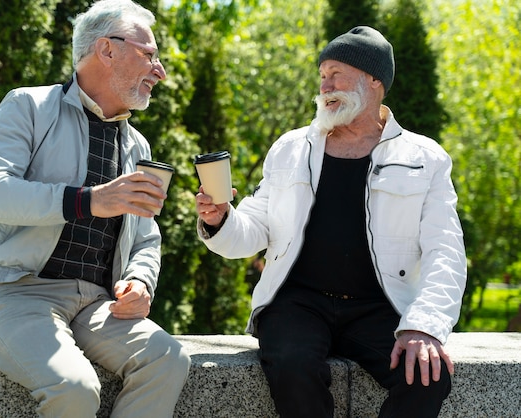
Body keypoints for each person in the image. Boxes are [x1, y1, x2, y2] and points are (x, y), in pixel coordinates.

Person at [195, 26, 466, 417]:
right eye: (322, 75)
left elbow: (446, 252)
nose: (325, 84)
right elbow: (254, 228)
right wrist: (221, 219)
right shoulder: (289, 148)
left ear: (375, 80)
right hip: (296, 303)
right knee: (292, 366)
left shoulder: (426, 157)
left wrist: (424, 325)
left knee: (428, 375)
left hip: (379, 306)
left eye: (336, 73)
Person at [0, 1, 190, 417]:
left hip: (97, 303)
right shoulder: (27, 106)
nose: (159, 72)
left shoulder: (137, 145)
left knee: (168, 358)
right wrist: (88, 200)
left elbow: (145, 237)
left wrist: (141, 281)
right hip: (14, 292)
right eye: (150, 55)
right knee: (75, 388)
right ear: (107, 50)